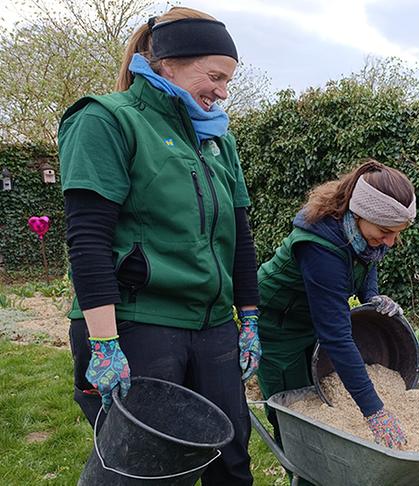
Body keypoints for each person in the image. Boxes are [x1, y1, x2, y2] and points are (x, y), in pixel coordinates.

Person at [59, 7, 258, 484]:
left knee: (231, 460)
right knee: (146, 467)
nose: (223, 92)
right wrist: (104, 343)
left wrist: (249, 320)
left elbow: (240, 238)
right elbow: (88, 239)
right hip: (138, 323)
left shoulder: (217, 142)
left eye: (228, 80)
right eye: (214, 76)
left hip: (211, 326)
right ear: (168, 61)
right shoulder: (107, 120)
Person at [257, 159, 415, 456]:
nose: (391, 242)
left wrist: (373, 296)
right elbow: (337, 337)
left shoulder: (361, 232)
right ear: (359, 214)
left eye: (397, 233)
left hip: (313, 317)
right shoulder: (320, 249)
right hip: (279, 326)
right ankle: (305, 469)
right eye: (385, 230)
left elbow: (370, 259)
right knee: (298, 416)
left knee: (325, 403)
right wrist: (374, 411)